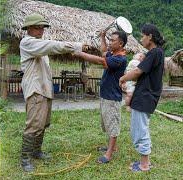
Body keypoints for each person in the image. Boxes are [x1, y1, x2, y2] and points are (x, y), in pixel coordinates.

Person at [19, 13, 84, 172]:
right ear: (28, 28)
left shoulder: (39, 45)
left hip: (44, 89)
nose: (41, 30)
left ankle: (36, 151)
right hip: (35, 90)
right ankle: (25, 158)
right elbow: (53, 46)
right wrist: (76, 46)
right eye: (37, 27)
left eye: (42, 27)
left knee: (43, 123)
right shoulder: (28, 42)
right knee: (34, 124)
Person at [74, 30, 128, 164]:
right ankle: (112, 146)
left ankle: (109, 153)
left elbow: (100, 60)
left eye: (112, 40)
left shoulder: (120, 59)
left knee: (113, 125)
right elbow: (103, 52)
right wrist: (103, 37)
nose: (110, 42)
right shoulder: (113, 54)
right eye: (110, 40)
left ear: (120, 43)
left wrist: (81, 54)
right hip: (105, 95)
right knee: (107, 123)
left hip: (112, 97)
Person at [119, 24, 165, 172]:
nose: (141, 39)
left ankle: (144, 165)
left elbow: (138, 71)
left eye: (142, 35)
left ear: (150, 36)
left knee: (140, 130)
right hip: (145, 95)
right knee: (140, 128)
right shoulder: (157, 53)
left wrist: (123, 78)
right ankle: (145, 161)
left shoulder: (154, 52)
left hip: (145, 96)